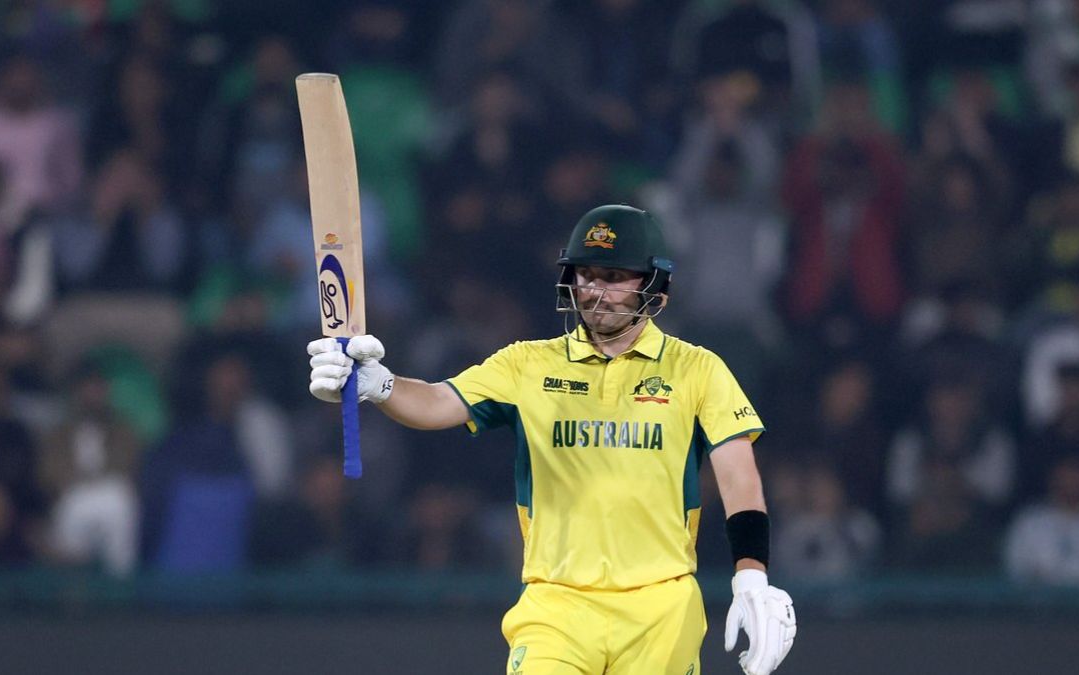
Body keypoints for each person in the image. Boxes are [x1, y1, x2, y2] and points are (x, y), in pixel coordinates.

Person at [307, 205, 796, 675]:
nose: (596, 291)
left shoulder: (698, 370)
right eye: (586, 275)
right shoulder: (528, 364)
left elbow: (739, 477)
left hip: (661, 606)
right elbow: (437, 402)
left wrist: (751, 575)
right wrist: (381, 384)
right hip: (557, 604)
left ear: (654, 284)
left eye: (614, 277)